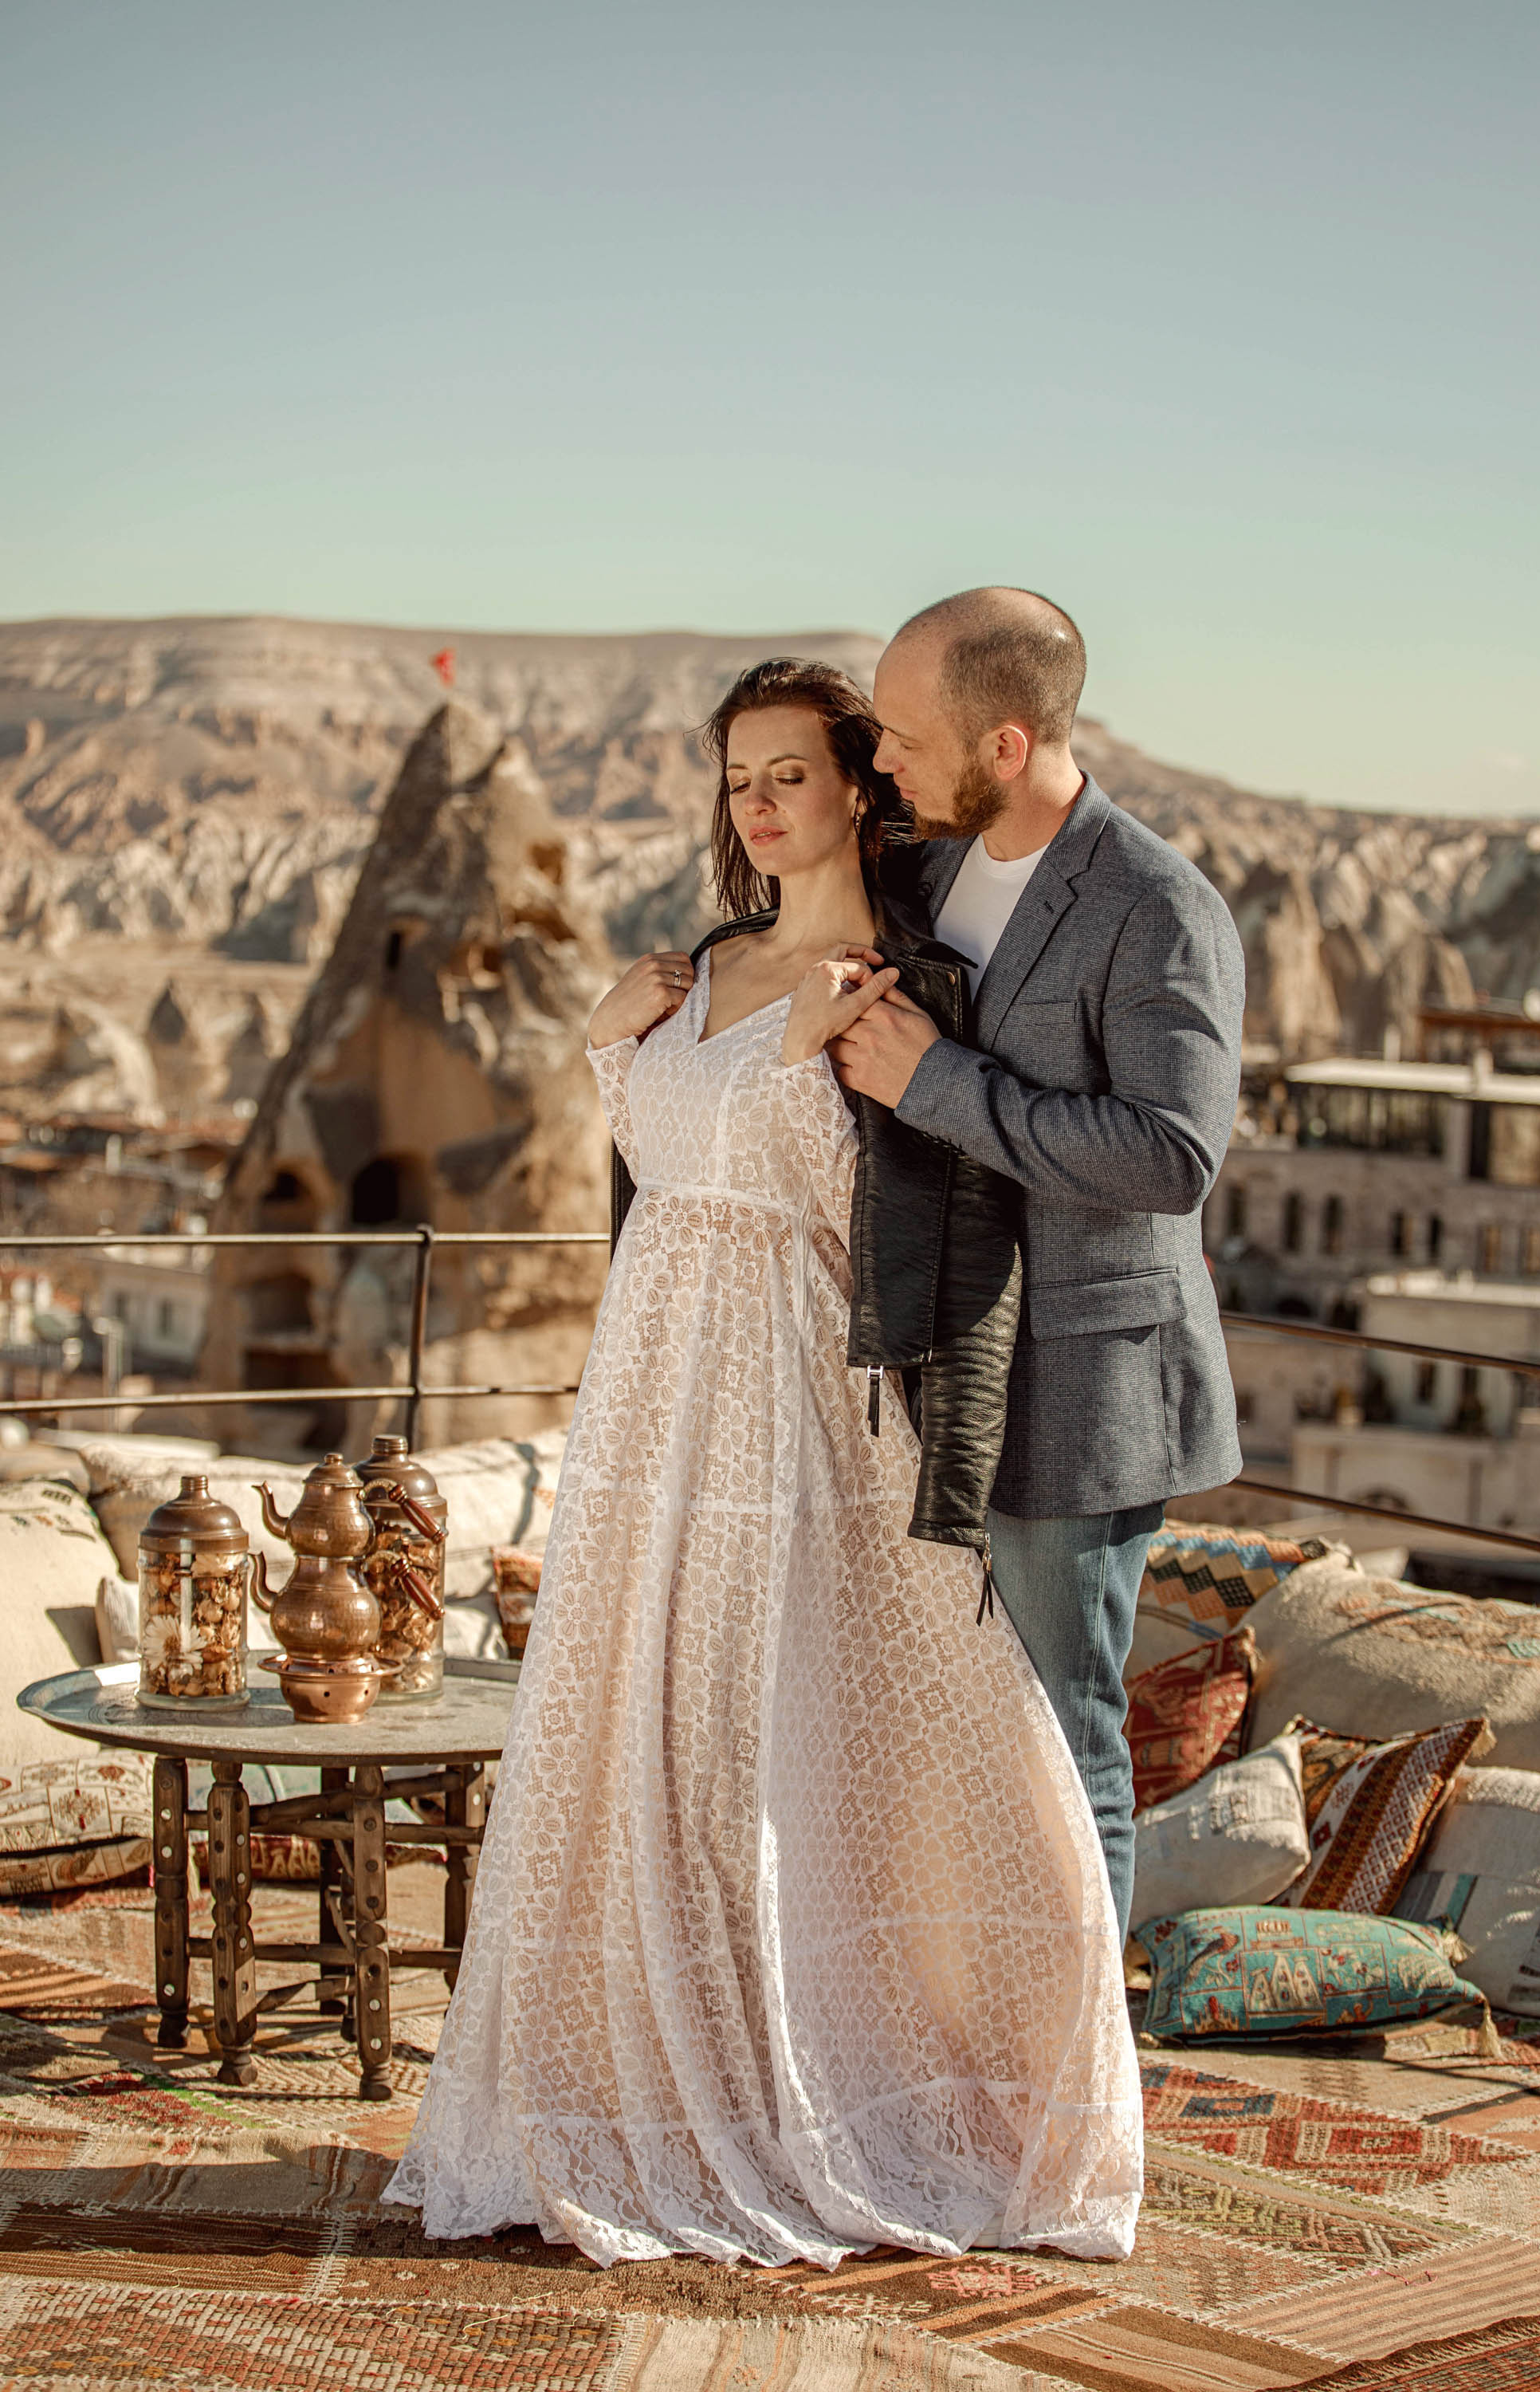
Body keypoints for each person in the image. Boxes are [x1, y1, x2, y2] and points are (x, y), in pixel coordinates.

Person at [385, 657, 1141, 2268]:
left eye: (790, 772)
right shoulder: (704, 964)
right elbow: (671, 1165)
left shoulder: (897, 989)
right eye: (739, 778)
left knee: (765, 1726)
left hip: (781, 1400)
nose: (759, 803)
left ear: (862, 786)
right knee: (638, 1716)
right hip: (646, 1390)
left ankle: (843, 2083)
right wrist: (609, 1048)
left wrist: (818, 1055)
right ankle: (628, 2089)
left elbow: (887, 1222)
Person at [828, 588, 1246, 1942]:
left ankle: (1080, 2062)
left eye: (905, 738)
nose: (881, 760)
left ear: (1005, 745)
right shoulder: (928, 870)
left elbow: (1170, 1156)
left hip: (1079, 1379)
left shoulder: (1156, 906)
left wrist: (938, 1083)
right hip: (944, 1363)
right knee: (960, 1734)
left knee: (1065, 1745)